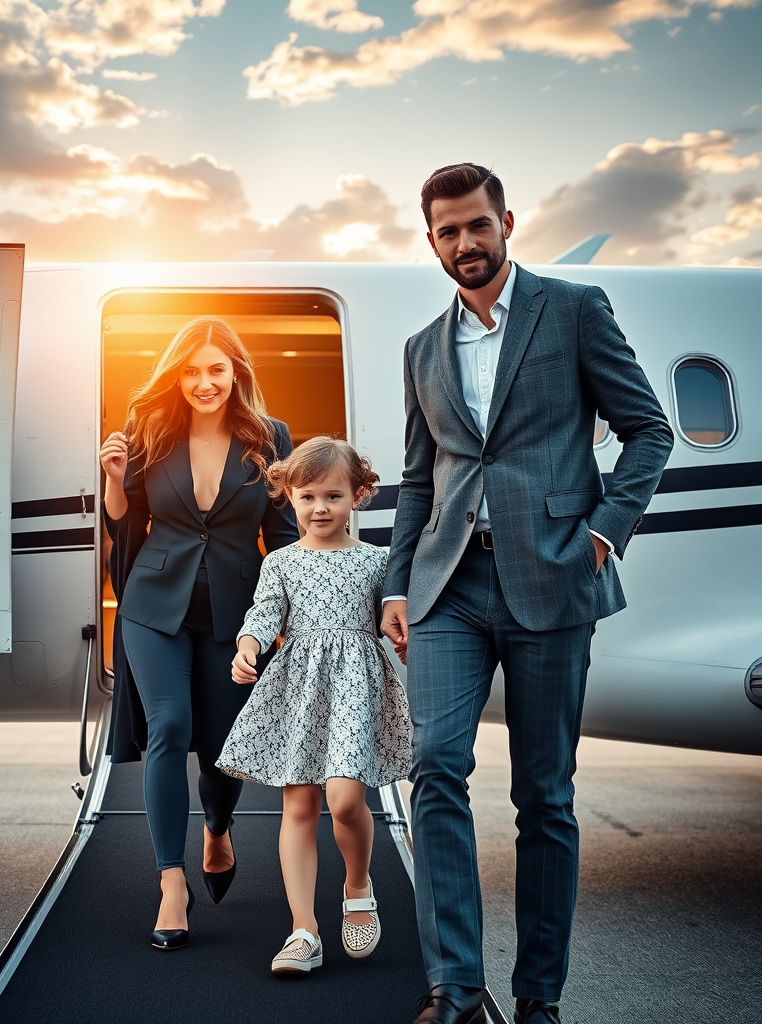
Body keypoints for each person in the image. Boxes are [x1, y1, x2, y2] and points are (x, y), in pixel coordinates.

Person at [380, 164, 673, 1024]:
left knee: (544, 795)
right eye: (447, 232)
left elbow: (647, 429)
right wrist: (398, 583)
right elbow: (416, 478)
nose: (465, 244)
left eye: (477, 226)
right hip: (449, 587)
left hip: (552, 576)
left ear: (507, 222)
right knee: (435, 767)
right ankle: (456, 987)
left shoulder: (573, 309)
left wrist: (605, 531)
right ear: (429, 239)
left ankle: (539, 997)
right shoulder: (421, 350)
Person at [100, 317, 299, 952]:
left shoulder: (270, 438)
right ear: (176, 375)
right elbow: (125, 523)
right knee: (170, 726)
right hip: (154, 604)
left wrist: (292, 613)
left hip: (238, 612)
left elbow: (285, 533)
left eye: (216, 369)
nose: (204, 382)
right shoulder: (150, 433)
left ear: (236, 372)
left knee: (220, 742)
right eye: (191, 370)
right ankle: (170, 883)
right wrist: (111, 478)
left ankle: (217, 826)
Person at [217, 436, 412, 975]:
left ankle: (357, 885)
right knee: (299, 805)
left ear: (359, 496)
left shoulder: (380, 560)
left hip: (353, 684)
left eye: (333, 496)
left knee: (347, 800)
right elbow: (264, 613)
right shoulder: (281, 561)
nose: (320, 508)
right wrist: (248, 646)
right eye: (307, 497)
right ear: (289, 497)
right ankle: (303, 930)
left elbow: (394, 616)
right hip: (298, 688)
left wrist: (404, 639)